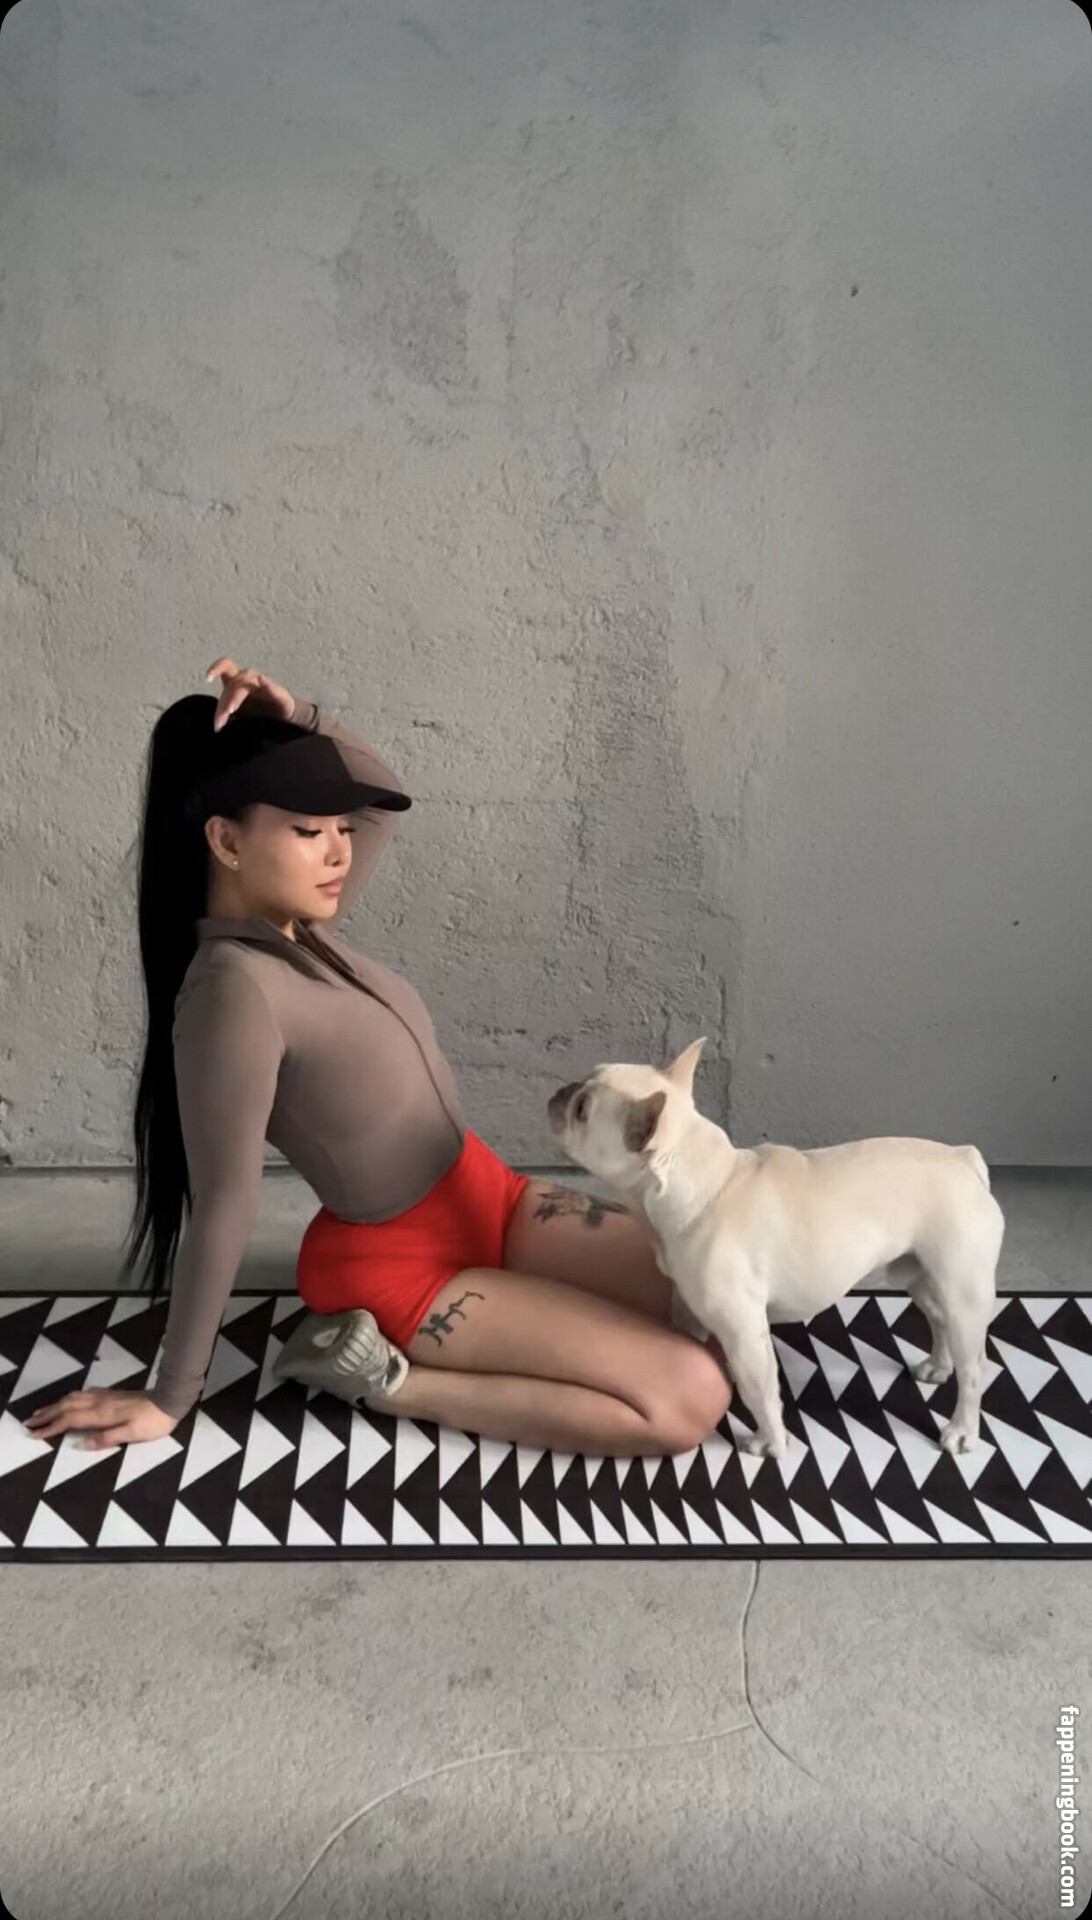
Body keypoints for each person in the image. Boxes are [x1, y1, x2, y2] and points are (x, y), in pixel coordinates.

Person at [23, 660, 733, 1460]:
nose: (338, 850)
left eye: (340, 830)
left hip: (489, 1198)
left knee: (719, 1287)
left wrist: (299, 715)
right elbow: (224, 1204)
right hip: (401, 1266)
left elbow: (380, 794)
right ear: (225, 840)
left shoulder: (301, 930)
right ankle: (381, 1377)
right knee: (693, 1398)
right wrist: (169, 1396)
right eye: (308, 831)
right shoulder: (233, 992)